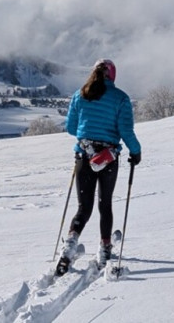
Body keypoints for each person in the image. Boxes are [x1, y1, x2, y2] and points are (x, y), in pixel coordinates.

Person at [57, 58, 142, 275]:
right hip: (108, 159)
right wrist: (135, 151)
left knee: (83, 207)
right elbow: (126, 130)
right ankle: (105, 248)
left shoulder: (80, 94)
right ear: (112, 75)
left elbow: (70, 127)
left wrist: (88, 134)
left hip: (84, 157)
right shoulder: (120, 98)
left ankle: (68, 248)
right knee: (105, 205)